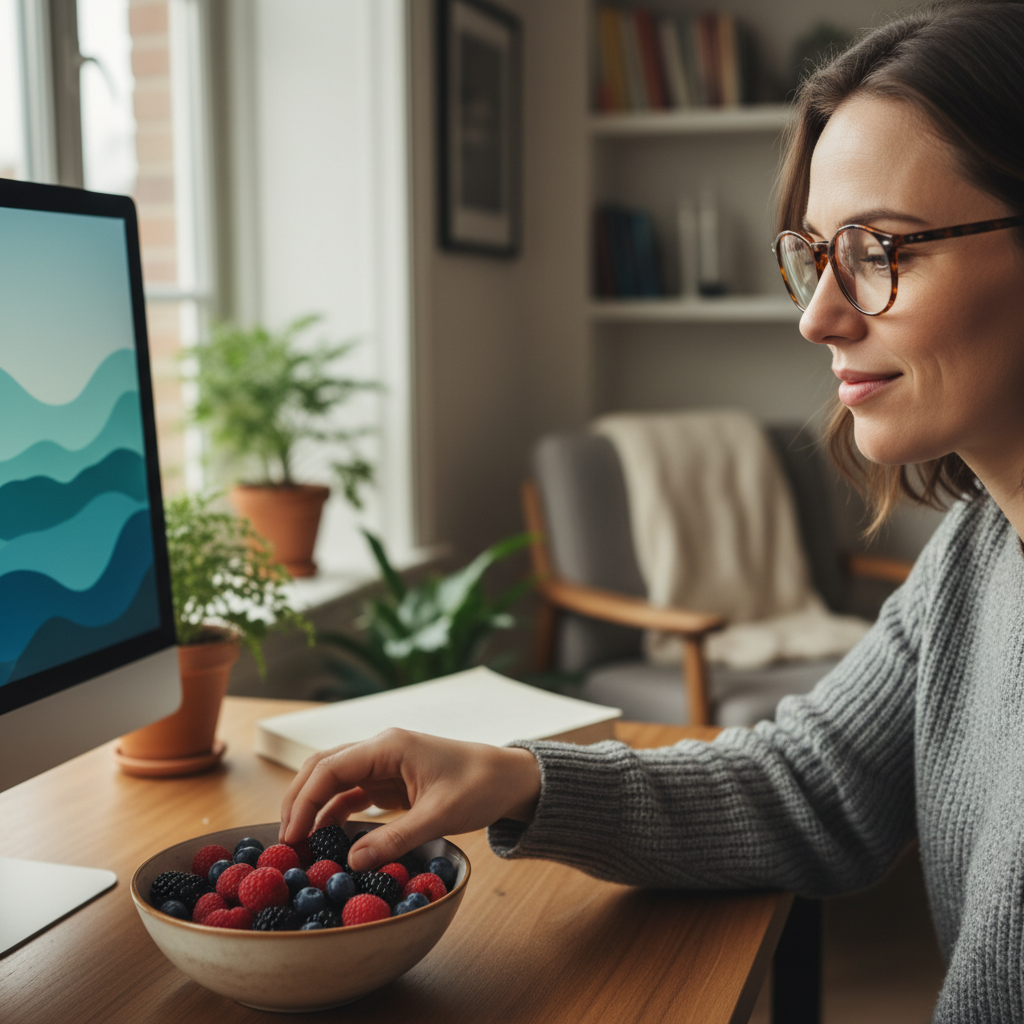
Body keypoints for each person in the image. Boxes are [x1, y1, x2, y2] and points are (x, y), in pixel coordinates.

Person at [281, 2, 1024, 1016]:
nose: (818, 314)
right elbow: (813, 784)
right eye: (814, 253)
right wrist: (520, 780)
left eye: (882, 249)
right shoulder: (982, 543)